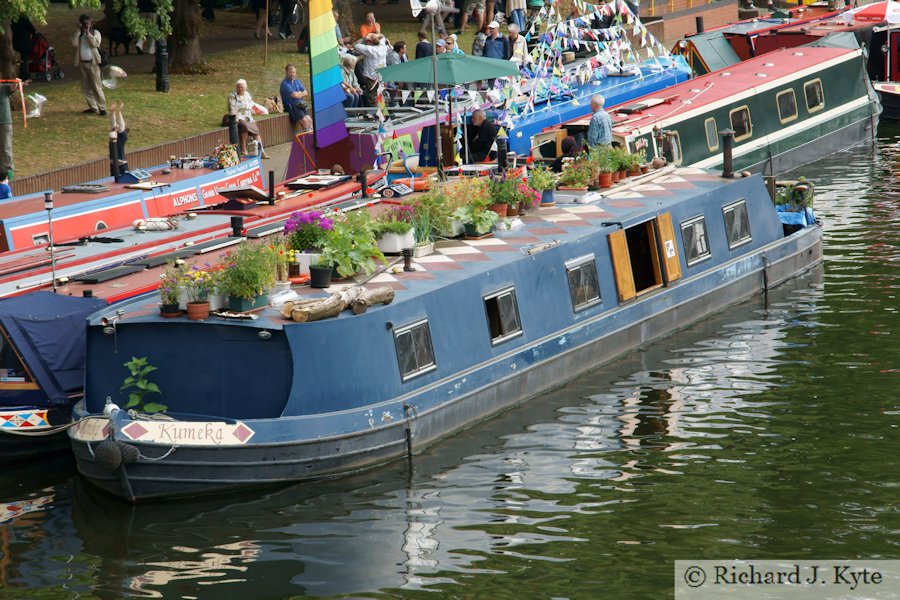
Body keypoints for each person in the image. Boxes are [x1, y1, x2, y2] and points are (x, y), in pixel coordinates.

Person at [72, 15, 107, 116]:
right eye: (83, 24)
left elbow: (95, 44)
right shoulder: (80, 35)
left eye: (87, 23)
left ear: (91, 23)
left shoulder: (95, 33)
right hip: (83, 63)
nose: (85, 26)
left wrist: (88, 34)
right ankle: (93, 107)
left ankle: (102, 108)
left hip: (93, 64)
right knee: (86, 87)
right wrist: (78, 31)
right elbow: (74, 44)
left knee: (96, 86)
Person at [228, 78, 271, 158]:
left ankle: (262, 151)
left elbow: (251, 105)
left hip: (248, 116)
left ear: (245, 88)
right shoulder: (232, 96)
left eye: (242, 87)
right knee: (244, 126)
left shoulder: (247, 94)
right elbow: (231, 108)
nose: (240, 89)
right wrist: (235, 118)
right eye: (238, 87)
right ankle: (244, 149)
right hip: (238, 116)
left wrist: (258, 111)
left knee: (255, 131)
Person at [354, 33, 389, 108]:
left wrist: (365, 38)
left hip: (371, 78)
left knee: (372, 99)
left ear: (370, 42)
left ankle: (376, 115)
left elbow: (356, 45)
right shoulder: (383, 47)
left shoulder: (369, 49)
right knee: (382, 97)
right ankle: (384, 115)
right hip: (382, 77)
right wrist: (375, 35)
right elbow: (383, 36)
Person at [280, 64, 314, 132]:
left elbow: (306, 92)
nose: (292, 74)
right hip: (292, 106)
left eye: (293, 72)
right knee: (304, 122)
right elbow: (294, 95)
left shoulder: (297, 81)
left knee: (310, 120)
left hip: (301, 104)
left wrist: (298, 94)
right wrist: (300, 93)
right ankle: (307, 137)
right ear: (286, 72)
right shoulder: (284, 84)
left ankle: (311, 137)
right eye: (290, 72)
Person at [0, 81, 17, 184]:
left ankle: (7, 173)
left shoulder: (3, 88)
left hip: (4, 122)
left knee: (6, 147)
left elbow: (12, 87)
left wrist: (15, 82)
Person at [11, 17, 35, 82]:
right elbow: (33, 30)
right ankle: (23, 76)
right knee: (24, 60)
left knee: (22, 60)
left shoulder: (14, 20)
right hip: (25, 43)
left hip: (16, 43)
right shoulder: (25, 19)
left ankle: (25, 74)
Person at [109, 100, 129, 169]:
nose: (116, 125)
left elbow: (121, 124)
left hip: (122, 164)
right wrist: (112, 111)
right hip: (113, 163)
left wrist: (119, 112)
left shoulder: (123, 136)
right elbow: (113, 122)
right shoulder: (114, 133)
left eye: (118, 125)